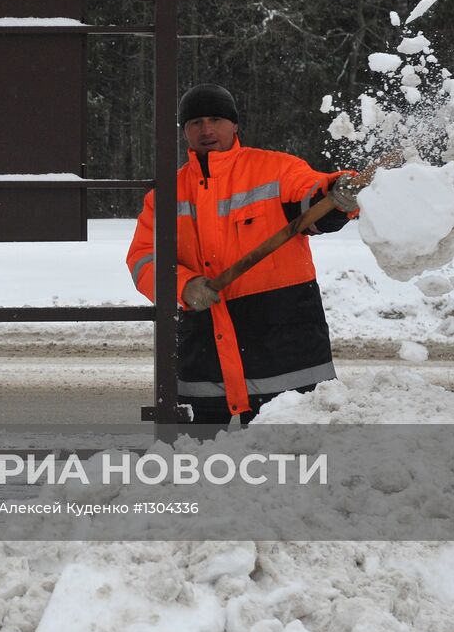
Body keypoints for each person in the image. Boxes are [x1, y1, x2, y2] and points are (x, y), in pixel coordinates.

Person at [126, 84, 362, 425]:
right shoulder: (165, 194)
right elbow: (142, 257)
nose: (206, 130)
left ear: (235, 125)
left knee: (293, 465)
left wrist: (338, 192)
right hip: (203, 354)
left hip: (285, 354)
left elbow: (312, 196)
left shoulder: (276, 169)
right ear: (184, 132)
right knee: (199, 463)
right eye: (195, 122)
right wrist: (185, 286)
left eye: (216, 119)